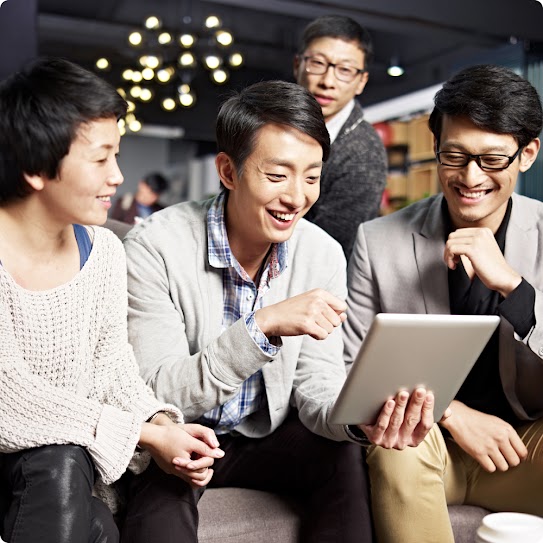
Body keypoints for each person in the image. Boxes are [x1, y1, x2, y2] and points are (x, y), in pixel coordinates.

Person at [123, 79, 431, 543]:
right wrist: (262, 326)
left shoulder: (321, 253)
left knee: (342, 455)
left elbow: (316, 383)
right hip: (178, 438)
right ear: (228, 170)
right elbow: (158, 390)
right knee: (157, 511)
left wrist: (355, 419)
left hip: (265, 435)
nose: (297, 197)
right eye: (277, 175)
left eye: (312, 176)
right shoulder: (154, 247)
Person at [0, 57, 223, 543]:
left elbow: (111, 367)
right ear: (37, 167)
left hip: (65, 479)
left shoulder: (101, 252)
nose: (118, 176)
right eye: (101, 159)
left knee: (89, 507)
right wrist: (144, 435)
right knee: (58, 460)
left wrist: (162, 422)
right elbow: (6, 397)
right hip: (32, 468)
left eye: (116, 156)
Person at [343, 64, 543, 543]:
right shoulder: (377, 241)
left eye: (493, 160)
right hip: (422, 444)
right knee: (396, 441)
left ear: (527, 154)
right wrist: (453, 412)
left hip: (524, 446)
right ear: (436, 148)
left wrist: (517, 289)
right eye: (454, 156)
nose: (470, 177)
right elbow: (351, 371)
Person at [293, 14, 387, 259]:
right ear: (297, 65)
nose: (328, 81)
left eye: (344, 70)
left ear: (361, 81)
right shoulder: (275, 127)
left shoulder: (363, 153)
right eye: (317, 63)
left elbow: (327, 250)